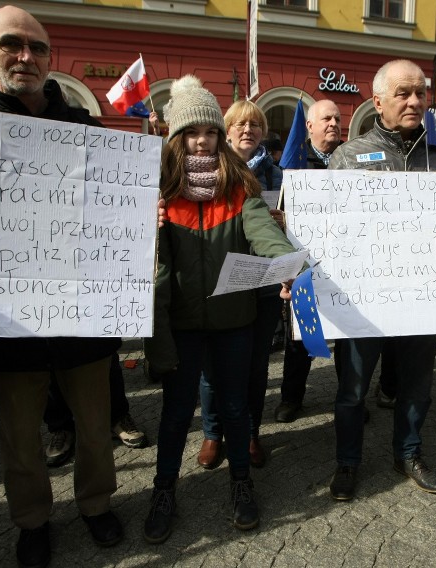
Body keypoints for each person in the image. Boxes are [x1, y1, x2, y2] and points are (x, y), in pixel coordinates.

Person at [0, 7, 124, 566]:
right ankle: (32, 520)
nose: (26, 56)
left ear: (51, 59)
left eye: (38, 48)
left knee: (96, 428)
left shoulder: (85, 129)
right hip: (5, 324)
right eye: (11, 44)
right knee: (20, 438)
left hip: (82, 314)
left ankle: (96, 505)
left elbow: (116, 209)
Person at [142, 75, 295, 543]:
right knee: (175, 411)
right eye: (191, 132)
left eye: (209, 130)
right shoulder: (160, 192)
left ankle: (242, 483)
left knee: (234, 405)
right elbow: (145, 259)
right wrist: (146, 226)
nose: (203, 140)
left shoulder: (240, 185)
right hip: (182, 325)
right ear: (176, 137)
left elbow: (261, 231)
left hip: (234, 322)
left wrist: (283, 261)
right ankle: (163, 488)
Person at [326, 60, 436, 501]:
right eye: (403, 93)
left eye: (421, 93)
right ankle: (347, 462)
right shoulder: (349, 156)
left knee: (418, 385)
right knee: (352, 390)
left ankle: (409, 452)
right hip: (366, 300)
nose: (416, 101)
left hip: (423, 297)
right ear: (378, 101)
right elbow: (330, 230)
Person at [197, 99, 285, 469]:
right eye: (240, 125)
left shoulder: (278, 174)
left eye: (255, 125)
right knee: (212, 365)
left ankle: (250, 433)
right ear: (227, 131)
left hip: (262, 282)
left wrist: (284, 220)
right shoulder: (208, 171)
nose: (247, 130)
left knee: (255, 365)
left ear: (263, 132)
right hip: (221, 279)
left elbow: (296, 224)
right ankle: (212, 433)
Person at [274, 98, 343, 423]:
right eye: (326, 118)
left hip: (345, 263)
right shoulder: (297, 161)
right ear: (310, 126)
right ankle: (291, 398)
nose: (334, 124)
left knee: (347, 338)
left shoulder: (348, 160)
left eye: (338, 119)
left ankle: (349, 398)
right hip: (306, 263)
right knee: (302, 333)